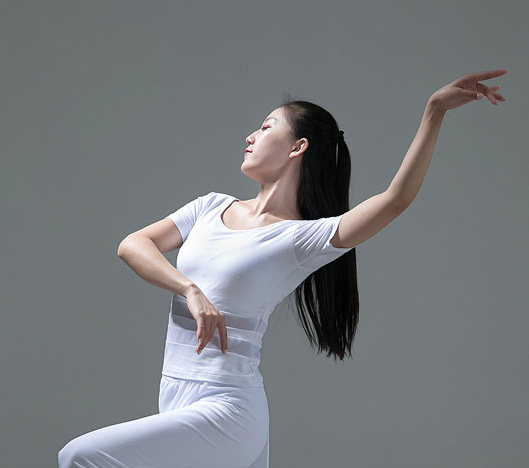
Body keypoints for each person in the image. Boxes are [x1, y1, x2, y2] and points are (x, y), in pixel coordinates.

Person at [57, 69, 507, 467]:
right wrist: (189, 289)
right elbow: (133, 245)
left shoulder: (300, 239)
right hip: (175, 397)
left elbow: (394, 200)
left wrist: (434, 110)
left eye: (266, 126)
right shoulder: (209, 207)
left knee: (79, 456)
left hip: (228, 410)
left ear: (298, 147)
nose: (250, 135)